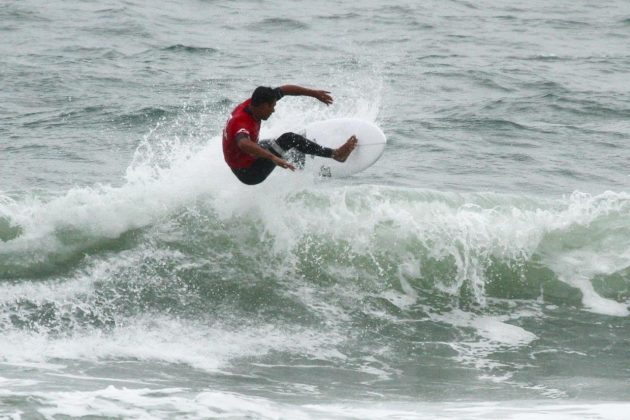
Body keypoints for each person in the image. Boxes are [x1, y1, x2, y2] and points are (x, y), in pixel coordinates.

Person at [222, 85, 358, 185]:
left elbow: (284, 90)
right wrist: (272, 157)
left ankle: (301, 161)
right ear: (263, 106)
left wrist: (314, 93)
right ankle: (336, 154)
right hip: (249, 173)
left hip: (244, 158)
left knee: (275, 143)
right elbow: (243, 143)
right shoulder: (241, 122)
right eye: (272, 107)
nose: (273, 110)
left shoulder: (254, 103)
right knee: (289, 139)